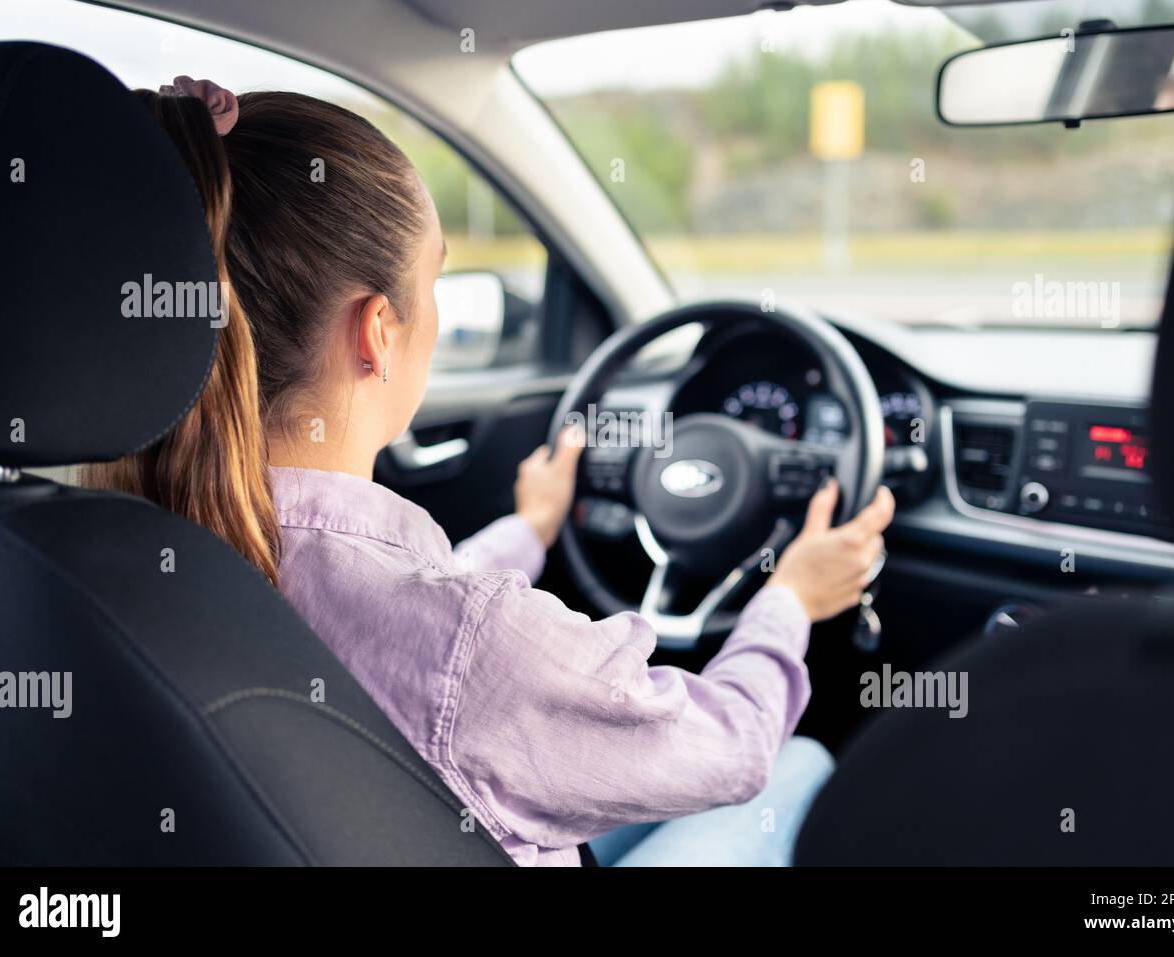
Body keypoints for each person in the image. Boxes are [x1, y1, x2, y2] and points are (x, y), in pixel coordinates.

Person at [90, 77, 895, 866]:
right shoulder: (472, 643)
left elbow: (415, 625)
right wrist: (791, 599)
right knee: (799, 767)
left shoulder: (119, 554)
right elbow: (732, 745)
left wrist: (529, 529)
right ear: (377, 332)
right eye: (434, 279)